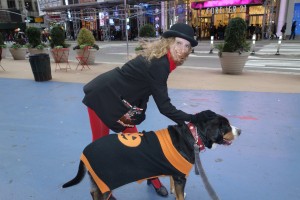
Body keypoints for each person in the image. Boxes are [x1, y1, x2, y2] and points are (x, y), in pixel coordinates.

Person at [82, 23, 198, 198]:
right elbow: (164, 106)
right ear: (169, 42)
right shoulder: (161, 64)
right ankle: (103, 190)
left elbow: (145, 87)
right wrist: (192, 119)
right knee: (100, 147)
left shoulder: (162, 59)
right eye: (179, 43)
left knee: (139, 146)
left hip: (124, 104)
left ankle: (153, 179)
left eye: (187, 46)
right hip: (103, 98)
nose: (182, 49)